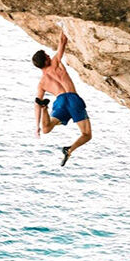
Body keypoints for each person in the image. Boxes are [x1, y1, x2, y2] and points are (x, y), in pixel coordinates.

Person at [32, 24, 92, 166]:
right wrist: (64, 24)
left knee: (47, 129)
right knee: (86, 134)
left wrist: (36, 126)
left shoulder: (42, 83)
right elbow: (62, 41)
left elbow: (35, 105)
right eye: (47, 55)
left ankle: (45, 109)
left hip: (59, 102)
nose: (49, 55)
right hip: (72, 98)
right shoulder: (55, 62)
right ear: (46, 60)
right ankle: (69, 149)